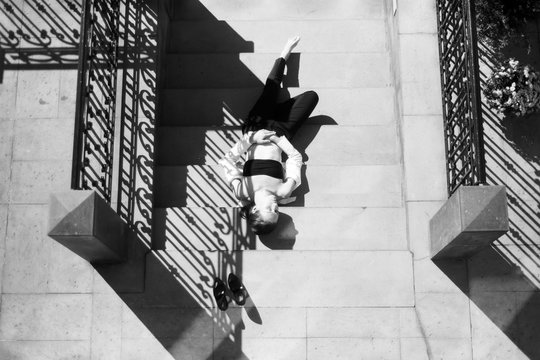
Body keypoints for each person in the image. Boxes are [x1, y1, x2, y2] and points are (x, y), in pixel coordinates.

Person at [219, 36, 319, 235]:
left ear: (255, 209)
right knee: (311, 97)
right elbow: (295, 158)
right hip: (282, 132)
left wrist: (252, 140)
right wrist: (279, 141)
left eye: (269, 210)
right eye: (277, 211)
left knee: (271, 90)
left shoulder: (243, 191)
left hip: (256, 127)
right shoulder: (283, 191)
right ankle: (279, 108)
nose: (275, 207)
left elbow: (227, 160)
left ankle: (284, 54)